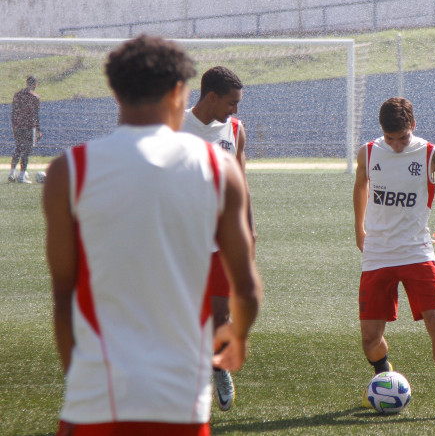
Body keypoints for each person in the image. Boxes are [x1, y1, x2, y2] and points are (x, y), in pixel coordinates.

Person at [43, 35, 262, 436]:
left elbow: (63, 299)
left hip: (96, 396)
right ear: (181, 91)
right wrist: (238, 340)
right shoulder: (219, 169)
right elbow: (247, 290)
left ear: (114, 91)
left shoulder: (67, 172)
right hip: (180, 399)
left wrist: (83, 380)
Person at [353, 97, 435, 421]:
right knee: (370, 338)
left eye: (402, 138)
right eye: (390, 139)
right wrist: (359, 228)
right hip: (378, 253)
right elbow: (361, 184)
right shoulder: (369, 152)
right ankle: (384, 375)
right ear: (381, 133)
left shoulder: (430, 153)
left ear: (412, 126)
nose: (397, 145)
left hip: (417, 250)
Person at [181, 66, 256, 412]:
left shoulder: (236, 130)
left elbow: (240, 186)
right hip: (177, 241)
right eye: (231, 102)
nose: (235, 110)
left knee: (219, 315)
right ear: (211, 97)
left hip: (219, 242)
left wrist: (249, 230)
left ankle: (217, 368)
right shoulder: (172, 126)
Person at [9, 75, 41, 183]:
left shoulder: (18, 95)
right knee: (26, 151)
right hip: (28, 127)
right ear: (35, 84)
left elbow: (13, 112)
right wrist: (38, 130)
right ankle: (21, 176)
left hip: (17, 126)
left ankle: (12, 173)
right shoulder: (34, 97)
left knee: (18, 148)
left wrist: (14, 125)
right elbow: (35, 116)